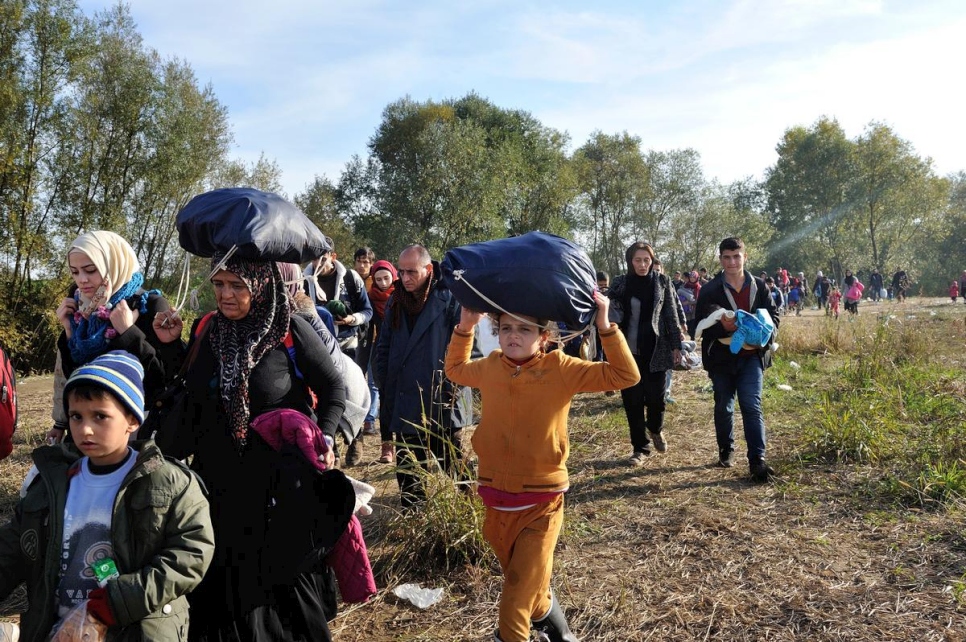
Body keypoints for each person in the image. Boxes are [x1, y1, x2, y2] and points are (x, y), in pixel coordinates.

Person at [154, 255, 351, 641]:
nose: (225, 295)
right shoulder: (208, 330)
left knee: (276, 583)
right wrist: (170, 347)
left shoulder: (288, 329)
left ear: (260, 285)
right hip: (217, 479)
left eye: (237, 285)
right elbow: (190, 391)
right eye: (219, 284)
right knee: (222, 578)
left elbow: (334, 389)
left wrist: (325, 436)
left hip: (277, 484)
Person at [445, 293, 639, 642]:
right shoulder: (490, 366)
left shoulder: (562, 369)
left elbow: (626, 374)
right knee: (528, 590)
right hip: (494, 502)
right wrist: (465, 326)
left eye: (524, 329)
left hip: (541, 503)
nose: (513, 336)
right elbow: (455, 370)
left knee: (514, 601)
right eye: (505, 328)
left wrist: (605, 326)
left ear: (544, 337)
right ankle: (559, 631)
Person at [0, 351, 214, 641]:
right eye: (76, 416)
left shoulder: (170, 482)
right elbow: (12, 548)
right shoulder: (51, 483)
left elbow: (191, 555)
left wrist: (117, 602)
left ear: (132, 420)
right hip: (59, 630)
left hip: (135, 629)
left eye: (100, 416)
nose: (85, 428)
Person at [48, 231, 180, 444]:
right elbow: (75, 377)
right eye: (75, 272)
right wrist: (69, 331)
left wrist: (128, 333)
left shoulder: (148, 305)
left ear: (114, 265)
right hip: (87, 431)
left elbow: (162, 379)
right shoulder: (80, 306)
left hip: (134, 431)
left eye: (91, 270)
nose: (82, 280)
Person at [373, 244, 475, 508]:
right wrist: (384, 382)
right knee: (409, 473)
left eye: (411, 272)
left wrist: (452, 387)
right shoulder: (396, 299)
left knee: (456, 467)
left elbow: (469, 347)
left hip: (442, 397)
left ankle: (473, 514)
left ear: (429, 270)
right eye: (401, 271)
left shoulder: (452, 296)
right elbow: (383, 346)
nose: (404, 278)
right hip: (405, 397)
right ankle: (414, 521)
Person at [694, 237, 779, 482]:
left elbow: (774, 316)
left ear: (745, 256)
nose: (732, 261)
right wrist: (723, 327)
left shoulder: (760, 286)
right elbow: (697, 326)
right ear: (720, 259)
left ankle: (757, 461)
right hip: (721, 358)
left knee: (752, 405)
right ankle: (726, 449)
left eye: (736, 256)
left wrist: (764, 334)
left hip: (752, 357)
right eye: (727, 257)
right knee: (724, 405)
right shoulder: (709, 289)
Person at [607, 243, 683, 464]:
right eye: (637, 260)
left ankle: (656, 428)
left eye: (646, 260)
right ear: (630, 261)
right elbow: (608, 308)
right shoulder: (621, 283)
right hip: (627, 352)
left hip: (656, 350)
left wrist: (676, 344)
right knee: (632, 401)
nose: (642, 265)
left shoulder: (662, 281)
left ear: (652, 261)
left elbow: (670, 313)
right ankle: (640, 448)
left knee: (656, 400)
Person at [303, 237, 373, 360]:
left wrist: (352, 319)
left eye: (323, 259)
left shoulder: (351, 278)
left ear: (333, 257)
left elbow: (368, 311)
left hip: (347, 346)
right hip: (316, 347)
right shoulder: (302, 281)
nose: (318, 263)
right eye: (314, 259)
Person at [366, 260, 398, 464]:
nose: (383, 282)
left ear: (394, 275)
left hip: (404, 352)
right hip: (381, 353)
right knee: (385, 400)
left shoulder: (402, 297)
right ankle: (387, 447)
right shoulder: (369, 299)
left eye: (386, 278)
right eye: (378, 279)